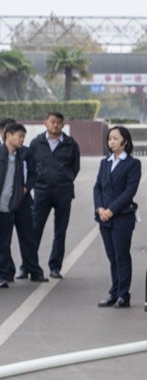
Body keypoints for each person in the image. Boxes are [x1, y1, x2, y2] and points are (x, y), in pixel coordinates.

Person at [28, 110, 82, 279]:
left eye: (59, 122)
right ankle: (28, 266)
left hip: (63, 192)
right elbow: (30, 165)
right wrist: (37, 182)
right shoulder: (36, 143)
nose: (55, 125)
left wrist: (66, 180)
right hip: (42, 191)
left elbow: (75, 167)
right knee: (34, 229)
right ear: (45, 123)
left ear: (63, 125)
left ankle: (55, 267)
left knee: (60, 231)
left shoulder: (70, 144)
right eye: (52, 121)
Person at [93, 125, 141, 307]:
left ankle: (124, 294)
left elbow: (130, 191)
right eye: (109, 139)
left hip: (122, 216)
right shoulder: (105, 163)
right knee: (112, 256)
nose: (111, 142)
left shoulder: (133, 164)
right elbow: (97, 186)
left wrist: (111, 210)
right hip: (103, 217)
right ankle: (114, 292)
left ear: (125, 141)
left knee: (122, 255)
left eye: (115, 138)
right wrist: (99, 208)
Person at [0, 122, 41, 288]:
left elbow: (30, 175)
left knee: (4, 243)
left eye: (23, 137)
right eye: (19, 136)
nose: (22, 139)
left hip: (11, 206)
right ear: (8, 135)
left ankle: (4, 275)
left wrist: (22, 192)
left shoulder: (20, 155)